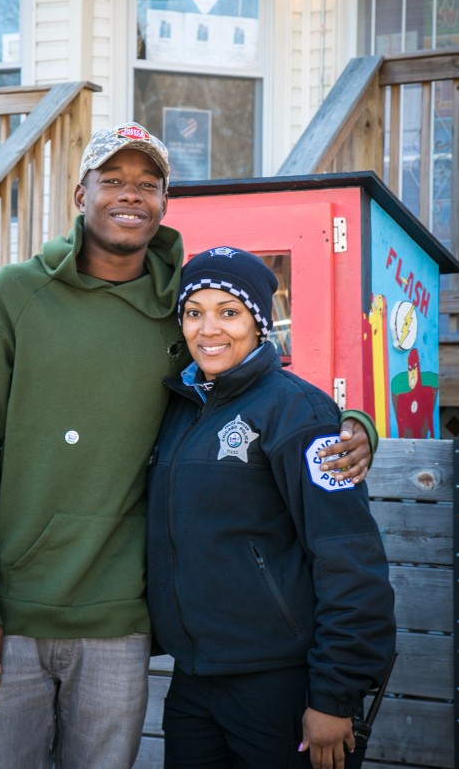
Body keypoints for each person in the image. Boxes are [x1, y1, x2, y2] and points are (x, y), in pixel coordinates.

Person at [0, 123, 378, 769]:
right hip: (17, 613)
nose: (130, 195)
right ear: (80, 193)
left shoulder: (179, 304)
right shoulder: (16, 296)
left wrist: (355, 424)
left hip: (126, 622)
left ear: (165, 202)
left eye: (148, 184)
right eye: (113, 180)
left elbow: (268, 384)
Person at [145, 246, 396, 769]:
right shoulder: (178, 407)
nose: (209, 329)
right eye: (194, 312)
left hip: (281, 682)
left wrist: (334, 696)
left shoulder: (298, 412)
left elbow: (348, 557)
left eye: (228, 312)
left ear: (259, 322)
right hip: (194, 679)